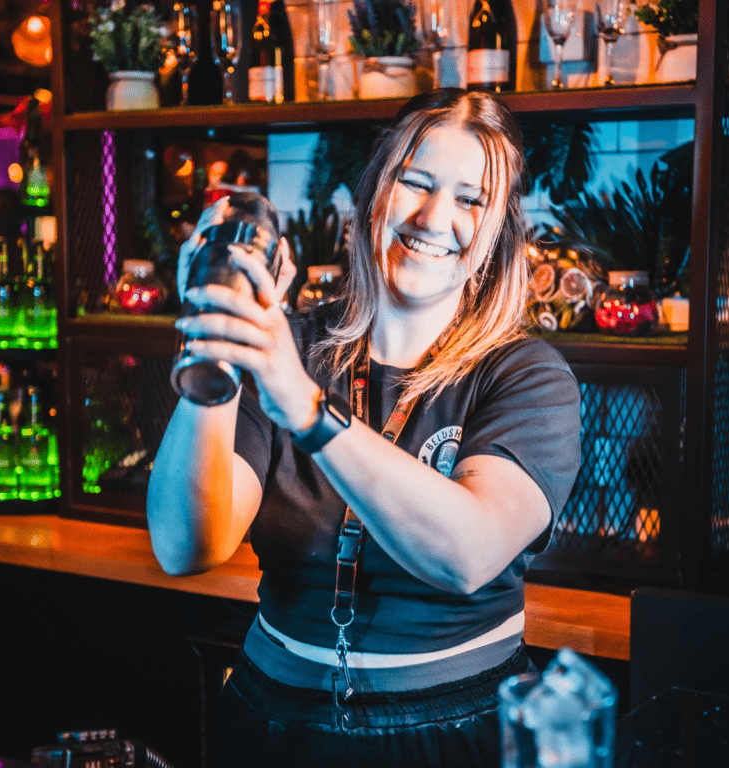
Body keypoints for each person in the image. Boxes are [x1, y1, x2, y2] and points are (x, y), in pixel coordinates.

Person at [146, 88, 583, 767]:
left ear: (497, 232)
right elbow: (185, 545)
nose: (436, 216)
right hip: (269, 721)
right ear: (372, 194)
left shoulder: (526, 377)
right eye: (415, 181)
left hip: (451, 730)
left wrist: (307, 408)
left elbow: (467, 552)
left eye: (471, 199)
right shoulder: (288, 346)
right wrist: (214, 349)